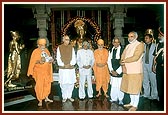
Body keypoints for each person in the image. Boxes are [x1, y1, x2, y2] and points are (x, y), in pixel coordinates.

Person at [120, 31, 144, 111]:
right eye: (129, 36)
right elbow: (122, 55)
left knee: (135, 88)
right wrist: (122, 63)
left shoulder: (140, 45)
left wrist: (124, 61)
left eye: (132, 36)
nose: (130, 38)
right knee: (130, 87)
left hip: (135, 70)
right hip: (127, 70)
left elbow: (136, 57)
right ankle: (131, 102)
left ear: (136, 37)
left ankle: (135, 105)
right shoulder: (127, 46)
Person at [27, 38, 53, 107]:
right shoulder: (35, 51)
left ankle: (46, 97)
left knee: (47, 84)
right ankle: (40, 100)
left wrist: (51, 60)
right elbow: (33, 61)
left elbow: (49, 58)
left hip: (46, 71)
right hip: (39, 72)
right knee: (39, 86)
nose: (43, 46)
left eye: (44, 45)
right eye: (41, 45)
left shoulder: (47, 50)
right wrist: (39, 61)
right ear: (38, 45)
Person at [56, 35, 76, 103]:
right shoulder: (59, 47)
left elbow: (74, 57)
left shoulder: (71, 47)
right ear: (63, 40)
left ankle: (69, 96)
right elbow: (58, 58)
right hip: (63, 69)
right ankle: (64, 97)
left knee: (71, 83)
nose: (68, 41)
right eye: (66, 39)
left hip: (70, 68)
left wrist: (70, 64)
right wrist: (63, 65)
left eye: (68, 39)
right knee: (63, 83)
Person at [107, 37, 124, 105]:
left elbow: (123, 62)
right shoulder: (111, 50)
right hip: (112, 71)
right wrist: (111, 70)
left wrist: (117, 71)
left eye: (118, 42)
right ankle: (114, 98)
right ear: (113, 43)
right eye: (115, 42)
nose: (116, 43)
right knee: (113, 85)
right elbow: (109, 61)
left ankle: (120, 99)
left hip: (119, 71)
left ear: (119, 43)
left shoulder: (122, 50)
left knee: (120, 85)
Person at [142, 33, 158, 100]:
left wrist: (154, 65)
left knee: (153, 81)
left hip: (151, 65)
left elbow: (156, 56)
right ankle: (146, 94)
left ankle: (154, 95)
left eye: (147, 38)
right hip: (144, 65)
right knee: (145, 80)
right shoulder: (143, 46)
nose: (145, 39)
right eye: (145, 38)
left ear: (151, 39)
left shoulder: (155, 46)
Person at [152, 26, 164, 109]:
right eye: (159, 35)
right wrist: (153, 66)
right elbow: (155, 56)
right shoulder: (158, 45)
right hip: (159, 68)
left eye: (160, 35)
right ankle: (161, 101)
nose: (159, 37)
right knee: (159, 84)